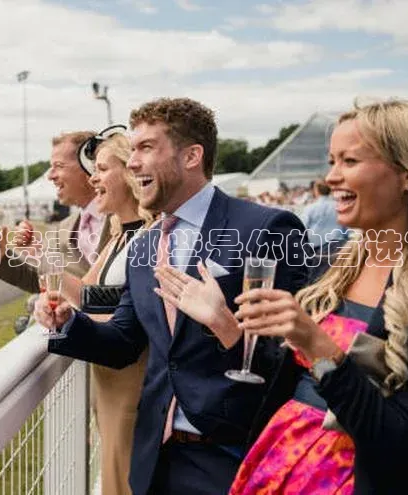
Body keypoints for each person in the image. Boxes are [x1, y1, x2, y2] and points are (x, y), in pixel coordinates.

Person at [36, 97, 308, 495]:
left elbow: (296, 360)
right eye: (132, 150)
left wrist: (225, 325)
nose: (132, 162)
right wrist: (67, 322)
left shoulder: (267, 228)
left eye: (146, 147)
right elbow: (124, 342)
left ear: (192, 156)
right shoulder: (144, 247)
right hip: (155, 460)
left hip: (233, 457)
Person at [186, 99, 408, 495]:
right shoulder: (328, 268)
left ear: (407, 174)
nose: (331, 178)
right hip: (281, 462)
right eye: (331, 161)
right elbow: (283, 382)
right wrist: (225, 324)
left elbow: (407, 442)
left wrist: (320, 346)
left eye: (350, 161)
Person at [54, 126, 153, 495]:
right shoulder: (120, 234)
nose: (93, 178)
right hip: (110, 385)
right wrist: (34, 262)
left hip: (131, 384)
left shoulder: (149, 234)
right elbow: (86, 295)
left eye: (101, 169)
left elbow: (115, 312)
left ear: (129, 173)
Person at [0, 130, 111, 293]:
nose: (50, 176)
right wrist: (0, 256)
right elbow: (45, 284)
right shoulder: (61, 230)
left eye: (59, 166)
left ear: (90, 166)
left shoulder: (128, 216)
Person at [301, 179, 348, 249]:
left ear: (316, 191)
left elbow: (302, 228)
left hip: (316, 248)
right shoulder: (340, 206)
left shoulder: (309, 208)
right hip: (337, 246)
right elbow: (346, 229)